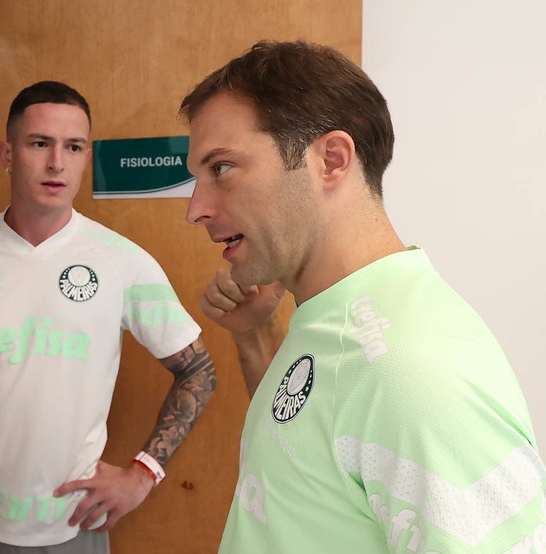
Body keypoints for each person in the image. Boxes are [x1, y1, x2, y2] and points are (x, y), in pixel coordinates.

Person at [182, 40, 546, 553]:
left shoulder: (411, 370)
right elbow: (315, 445)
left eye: (220, 168)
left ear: (330, 159)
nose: (195, 208)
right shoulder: (335, 319)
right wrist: (256, 336)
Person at [0, 81, 217, 553]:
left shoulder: (123, 262)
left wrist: (142, 475)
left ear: (86, 159)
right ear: (7, 154)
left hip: (73, 523)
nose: (56, 163)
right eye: (39, 144)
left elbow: (199, 370)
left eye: (73, 147)